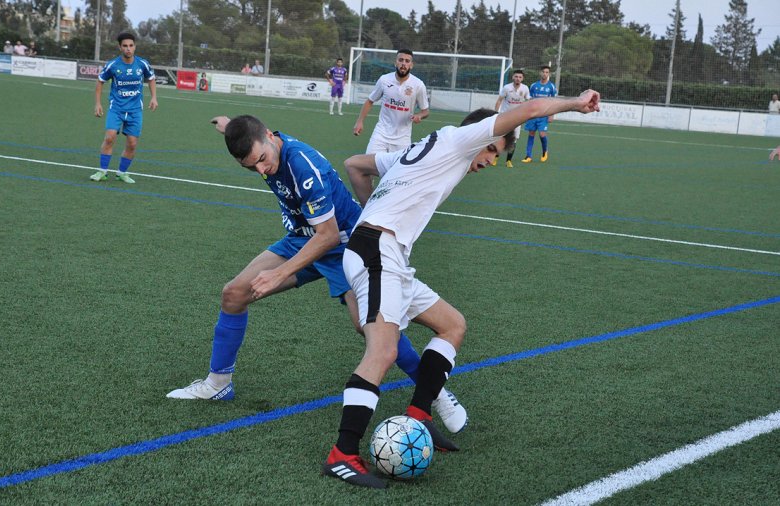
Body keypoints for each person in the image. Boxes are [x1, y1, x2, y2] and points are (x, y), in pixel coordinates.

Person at [322, 89, 601, 488]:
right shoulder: (459, 139)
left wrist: (372, 212)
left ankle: (420, 415)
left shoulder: (422, 147)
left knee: (452, 325)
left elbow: (355, 165)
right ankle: (342, 454)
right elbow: (532, 109)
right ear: (483, 139)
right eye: (493, 152)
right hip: (377, 251)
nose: (490, 161)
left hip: (387, 252)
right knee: (382, 351)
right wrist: (576, 103)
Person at [166, 115, 468, 435]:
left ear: (270, 137)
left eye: (262, 161)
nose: (261, 170)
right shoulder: (261, 143)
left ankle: (434, 391)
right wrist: (229, 126)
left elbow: (328, 236)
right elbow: (247, 135)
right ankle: (218, 383)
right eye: (250, 166)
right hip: (302, 237)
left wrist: (278, 273)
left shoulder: (304, 167)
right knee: (234, 294)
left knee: (371, 328)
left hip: (344, 245)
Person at [90, 32, 157, 184]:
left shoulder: (142, 64)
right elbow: (100, 82)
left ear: (135, 47)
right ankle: (102, 171)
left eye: (131, 46)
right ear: (120, 47)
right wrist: (98, 103)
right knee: (109, 138)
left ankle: (122, 173)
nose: (128, 49)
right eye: (125, 46)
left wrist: (154, 97)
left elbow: (151, 79)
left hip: (135, 110)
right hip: (117, 108)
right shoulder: (113, 65)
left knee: (132, 144)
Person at [353, 49, 430, 153]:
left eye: (407, 61)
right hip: (381, 134)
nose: (403, 64)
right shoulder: (384, 80)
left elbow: (425, 111)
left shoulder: (418, 85)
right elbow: (370, 101)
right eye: (401, 60)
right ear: (395, 62)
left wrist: (419, 116)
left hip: (403, 139)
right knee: (369, 166)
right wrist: (359, 121)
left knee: (398, 169)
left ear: (411, 65)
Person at [493, 69, 530, 168]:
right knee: (501, 137)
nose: (518, 78)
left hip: (517, 118)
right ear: (513, 77)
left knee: (513, 140)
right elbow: (499, 101)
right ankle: (495, 157)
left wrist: (526, 114)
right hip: (505, 117)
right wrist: (495, 114)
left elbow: (528, 101)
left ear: (523, 79)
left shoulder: (525, 88)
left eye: (520, 77)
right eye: (516, 76)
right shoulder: (506, 87)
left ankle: (508, 161)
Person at [521, 65, 558, 164]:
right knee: (531, 133)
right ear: (540, 73)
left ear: (549, 74)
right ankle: (528, 156)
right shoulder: (534, 85)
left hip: (544, 114)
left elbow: (554, 102)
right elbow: (530, 100)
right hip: (533, 114)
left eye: (547, 72)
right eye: (543, 72)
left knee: (542, 134)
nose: (545, 74)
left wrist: (552, 115)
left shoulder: (551, 87)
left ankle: (544, 151)